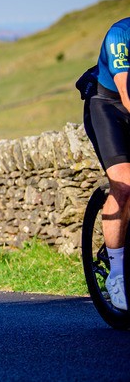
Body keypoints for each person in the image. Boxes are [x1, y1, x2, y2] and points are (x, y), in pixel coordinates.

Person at [82, 16, 130, 310]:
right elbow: (127, 93)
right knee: (124, 183)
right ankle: (117, 274)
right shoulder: (120, 35)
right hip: (108, 106)